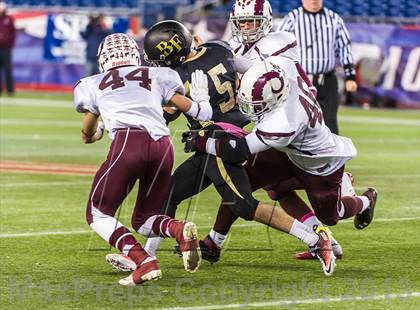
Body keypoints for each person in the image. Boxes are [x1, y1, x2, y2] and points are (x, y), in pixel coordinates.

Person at [107, 21, 337, 277]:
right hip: (225, 135)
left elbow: (167, 113)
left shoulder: (175, 77)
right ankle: (147, 258)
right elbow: (246, 73)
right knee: (168, 194)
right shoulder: (220, 49)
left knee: (244, 205)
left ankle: (316, 239)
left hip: (218, 141)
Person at [182, 58, 378, 257]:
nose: (253, 110)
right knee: (243, 184)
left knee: (331, 216)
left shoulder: (283, 122)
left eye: (258, 106)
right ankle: (214, 241)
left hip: (320, 163)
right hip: (288, 150)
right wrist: (207, 54)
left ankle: (365, 201)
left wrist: (202, 141)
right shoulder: (283, 69)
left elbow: (238, 150)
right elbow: (246, 64)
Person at [73, 33, 217, 286]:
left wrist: (95, 133)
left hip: (129, 142)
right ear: (136, 54)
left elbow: (88, 131)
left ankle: (144, 261)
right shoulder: (160, 75)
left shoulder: (91, 83)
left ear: (103, 59)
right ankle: (178, 229)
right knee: (145, 219)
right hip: (162, 145)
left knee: (97, 213)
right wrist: (203, 100)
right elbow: (198, 111)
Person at [279, 0, 357, 134]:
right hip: (300, 81)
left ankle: (331, 154)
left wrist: (350, 76)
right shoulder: (292, 18)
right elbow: (280, 46)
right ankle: (295, 155)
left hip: (327, 80)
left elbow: (344, 48)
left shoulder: (334, 19)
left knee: (330, 121)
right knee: (297, 121)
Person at [0, 1, 16, 96]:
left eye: (1, 8)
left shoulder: (9, 19)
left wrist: (10, 44)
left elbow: (13, 33)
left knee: (8, 69)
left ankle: (10, 90)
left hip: (6, 48)